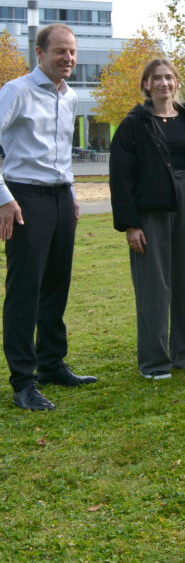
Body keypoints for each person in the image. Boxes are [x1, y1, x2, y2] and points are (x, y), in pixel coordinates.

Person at [0, 24, 96, 410]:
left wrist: (70, 193)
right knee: (25, 291)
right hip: (24, 197)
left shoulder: (70, 95)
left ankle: (52, 363)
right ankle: (23, 380)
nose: (68, 58)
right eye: (60, 51)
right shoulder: (16, 91)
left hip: (59, 198)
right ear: (39, 53)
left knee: (57, 284)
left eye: (72, 52)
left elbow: (61, 152)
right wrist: (4, 199)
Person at [109, 59, 185, 380]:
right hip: (151, 210)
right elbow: (121, 177)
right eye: (156, 78)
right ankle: (154, 362)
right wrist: (130, 224)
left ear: (176, 83)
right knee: (154, 286)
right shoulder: (134, 124)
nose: (164, 83)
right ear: (146, 84)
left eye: (169, 77)